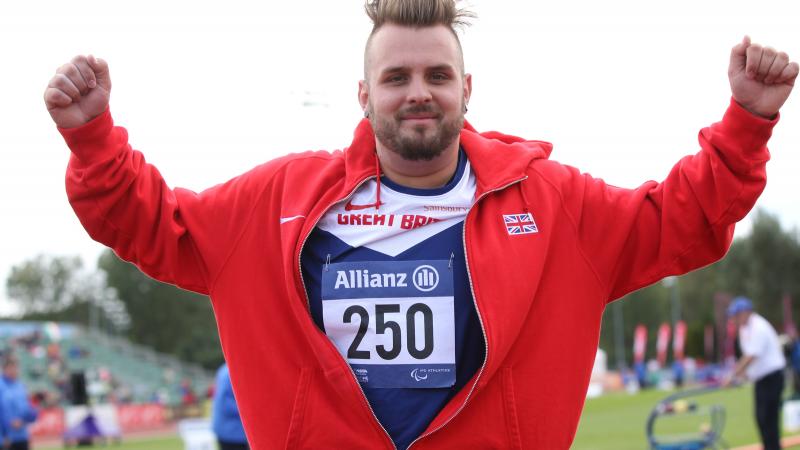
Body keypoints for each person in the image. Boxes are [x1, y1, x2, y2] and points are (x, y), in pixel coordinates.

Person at [43, 0, 798, 448]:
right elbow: (150, 224)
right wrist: (94, 139)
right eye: (397, 77)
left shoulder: (552, 204)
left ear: (466, 88)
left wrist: (747, 122)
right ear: (363, 93)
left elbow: (680, 221)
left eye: (437, 76)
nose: (418, 93)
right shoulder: (276, 202)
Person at [725, 297, 786, 450]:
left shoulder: (759, 326)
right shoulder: (745, 329)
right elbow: (750, 358)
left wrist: (732, 376)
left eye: (735, 315)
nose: (733, 319)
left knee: (769, 420)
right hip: (761, 379)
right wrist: (742, 376)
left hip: (772, 377)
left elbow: (751, 356)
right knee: (761, 419)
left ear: (745, 313)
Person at [0, 357, 39, 450]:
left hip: (22, 436)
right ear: (4, 369)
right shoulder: (1, 387)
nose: (14, 371)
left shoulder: (21, 386)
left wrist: (26, 419)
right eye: (11, 368)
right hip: (5, 438)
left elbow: (28, 410)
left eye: (16, 368)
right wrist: (4, 434)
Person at [212, 364, 249, 450]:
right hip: (231, 433)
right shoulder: (230, 371)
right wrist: (251, 411)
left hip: (232, 431)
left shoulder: (226, 369)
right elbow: (224, 403)